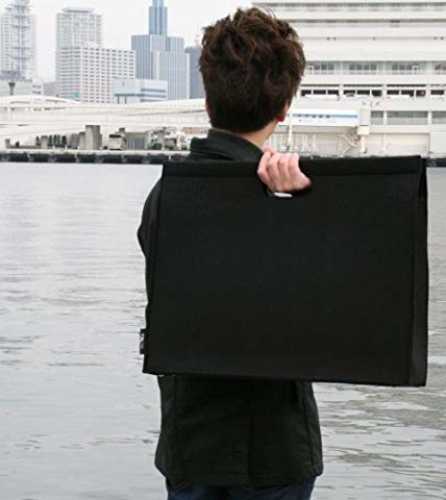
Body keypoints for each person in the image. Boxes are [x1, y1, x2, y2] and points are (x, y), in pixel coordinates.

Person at [137, 7, 323, 500]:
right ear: (284, 108)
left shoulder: (165, 196)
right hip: (274, 449)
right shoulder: (294, 199)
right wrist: (301, 210)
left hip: (190, 442)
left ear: (207, 99)